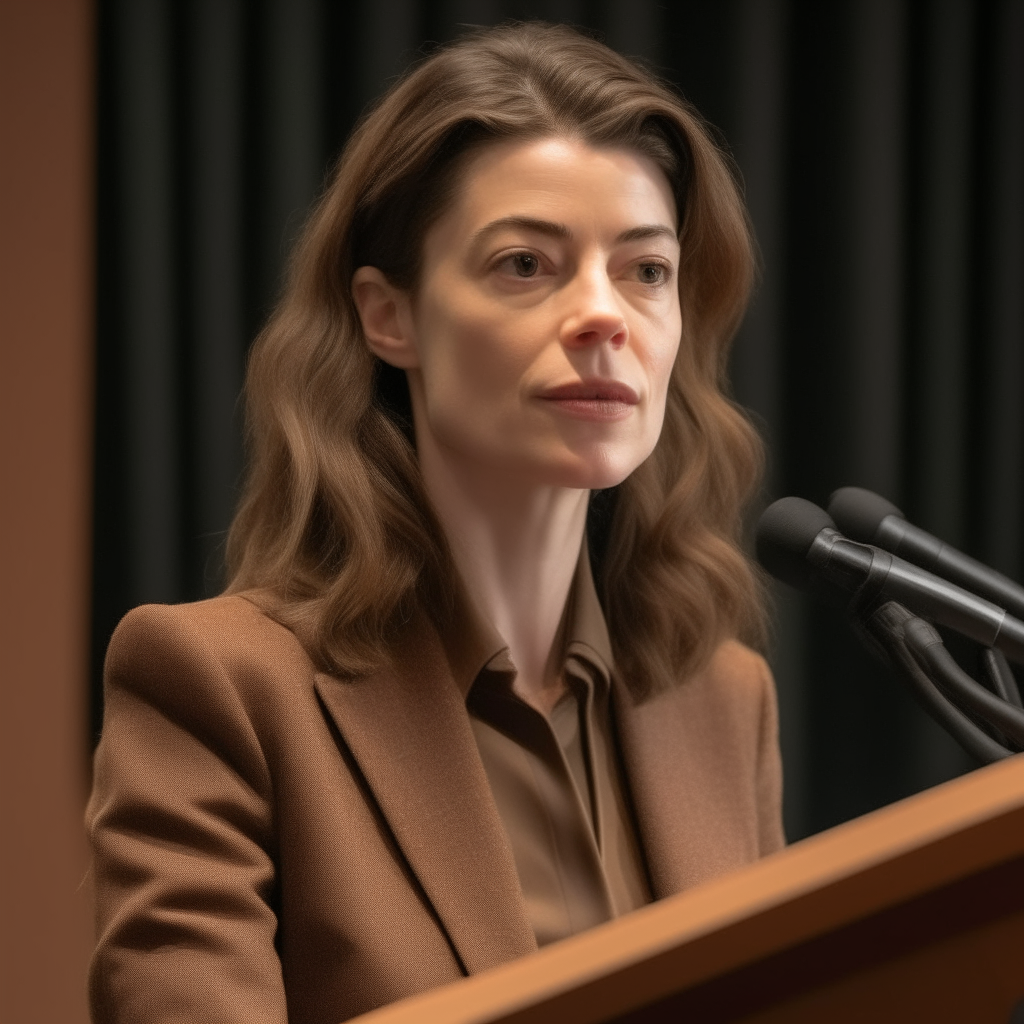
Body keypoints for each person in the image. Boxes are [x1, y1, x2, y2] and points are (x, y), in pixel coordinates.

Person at [87, 21, 783, 1024]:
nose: (606, 315)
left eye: (646, 269)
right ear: (388, 316)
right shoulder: (216, 687)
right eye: (524, 264)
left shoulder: (724, 703)